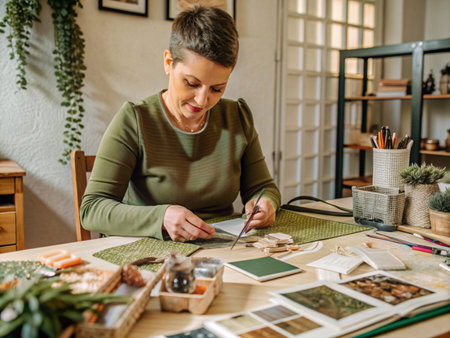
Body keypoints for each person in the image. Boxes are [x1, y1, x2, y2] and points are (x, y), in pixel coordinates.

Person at [80, 5, 281, 242]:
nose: (202, 100)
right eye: (191, 83)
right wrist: (161, 217)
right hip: (149, 252)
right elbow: (92, 209)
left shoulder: (237, 116)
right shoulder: (135, 120)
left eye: (217, 88)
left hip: (224, 250)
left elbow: (263, 187)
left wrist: (266, 203)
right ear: (168, 62)